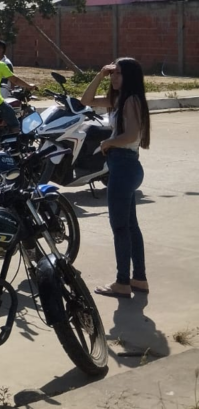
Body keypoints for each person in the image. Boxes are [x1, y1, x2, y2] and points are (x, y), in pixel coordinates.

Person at [81, 59, 150, 298]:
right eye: (113, 73)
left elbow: (131, 134)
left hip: (123, 166)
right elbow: (86, 101)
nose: (114, 77)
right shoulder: (120, 99)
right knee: (130, 226)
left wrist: (108, 142)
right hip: (126, 166)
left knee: (120, 228)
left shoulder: (130, 100)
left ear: (130, 76)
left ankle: (122, 282)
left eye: (119, 74)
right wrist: (100, 74)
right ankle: (139, 278)